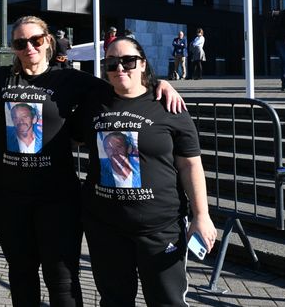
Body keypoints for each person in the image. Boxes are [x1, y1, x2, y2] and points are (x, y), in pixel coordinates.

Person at [0, 16, 185, 307]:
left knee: (63, 280)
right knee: (21, 274)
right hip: (9, 199)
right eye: (20, 43)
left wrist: (159, 83)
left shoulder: (70, 79)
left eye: (36, 40)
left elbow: (123, 84)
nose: (29, 47)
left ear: (48, 42)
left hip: (57, 199)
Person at [69, 36, 216, 306]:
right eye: (111, 63)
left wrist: (201, 215)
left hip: (159, 227)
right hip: (105, 225)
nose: (120, 68)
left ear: (143, 64)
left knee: (166, 300)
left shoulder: (167, 105)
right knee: (114, 300)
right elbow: (69, 136)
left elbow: (190, 163)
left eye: (128, 61)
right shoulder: (93, 103)